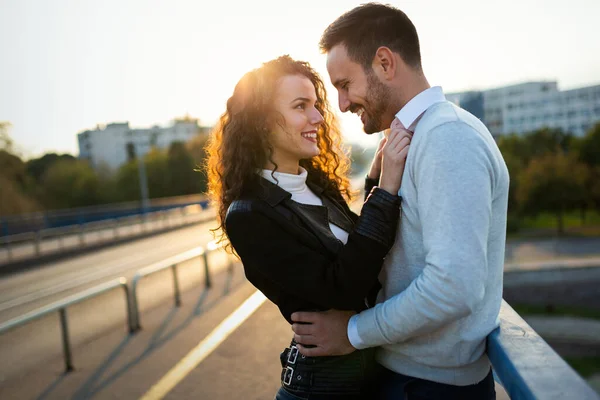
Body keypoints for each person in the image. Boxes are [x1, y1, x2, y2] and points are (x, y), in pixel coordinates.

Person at [290, 4, 510, 400]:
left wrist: (352, 332)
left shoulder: (448, 139)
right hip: (409, 377)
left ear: (385, 63)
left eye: (345, 84)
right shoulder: (411, 139)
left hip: (430, 388)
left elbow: (454, 286)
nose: (341, 105)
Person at [205, 55, 412, 399]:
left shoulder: (313, 183)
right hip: (323, 385)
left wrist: (376, 179)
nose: (318, 117)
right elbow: (344, 285)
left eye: (316, 105)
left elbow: (358, 249)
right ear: (261, 122)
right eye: (301, 106)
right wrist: (386, 192)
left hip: (368, 369)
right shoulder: (248, 215)